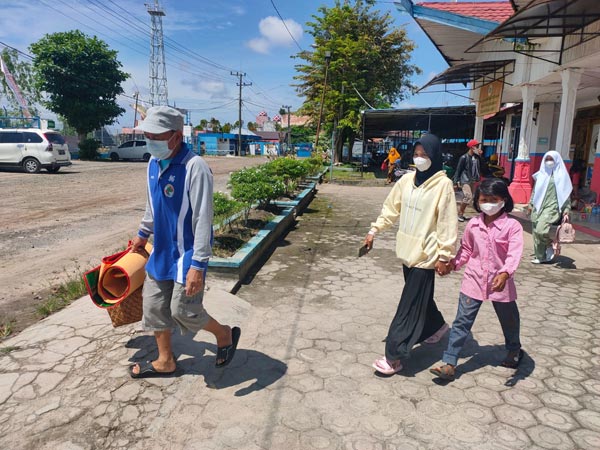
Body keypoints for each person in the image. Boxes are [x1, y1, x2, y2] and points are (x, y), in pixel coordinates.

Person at [129, 106, 241, 378]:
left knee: (184, 310)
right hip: (162, 252)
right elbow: (152, 206)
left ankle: (224, 334)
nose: (150, 141)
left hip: (187, 255)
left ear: (176, 136)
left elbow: (204, 218)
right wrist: (143, 234)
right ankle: (165, 360)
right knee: (154, 307)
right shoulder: (153, 164)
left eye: (156, 136)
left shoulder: (195, 167)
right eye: (147, 135)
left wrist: (198, 266)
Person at [364, 133, 458, 375]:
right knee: (419, 299)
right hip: (407, 251)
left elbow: (448, 222)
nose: (419, 159)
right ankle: (437, 327)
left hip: (426, 256)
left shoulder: (443, 185)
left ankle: (394, 355)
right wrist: (374, 230)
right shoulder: (406, 181)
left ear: (435, 156)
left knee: (408, 307)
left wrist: (445, 255)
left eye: (425, 155)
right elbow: (391, 208)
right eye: (416, 154)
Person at [430, 178, 524, 380]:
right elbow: (466, 250)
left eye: (493, 199)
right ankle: (449, 362)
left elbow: (514, 253)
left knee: (509, 320)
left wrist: (505, 273)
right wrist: (452, 265)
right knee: (462, 321)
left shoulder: (512, 226)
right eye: (484, 199)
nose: (488, 203)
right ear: (477, 201)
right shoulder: (473, 224)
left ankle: (514, 349)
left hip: (501, 283)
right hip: (473, 280)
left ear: (504, 200)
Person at [527, 150, 572, 264]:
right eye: (547, 159)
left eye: (551, 159)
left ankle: (549, 244)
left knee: (541, 230)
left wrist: (566, 209)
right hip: (538, 205)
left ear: (557, 160)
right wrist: (531, 203)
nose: (549, 162)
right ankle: (540, 256)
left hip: (552, 207)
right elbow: (535, 191)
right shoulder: (541, 174)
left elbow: (565, 194)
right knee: (535, 231)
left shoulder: (561, 176)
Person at [454, 139, 483, 222]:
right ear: (471, 147)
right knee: (468, 196)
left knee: (471, 198)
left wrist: (481, 156)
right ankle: (460, 214)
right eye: (476, 146)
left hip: (473, 180)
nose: (478, 148)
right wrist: (455, 182)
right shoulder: (464, 157)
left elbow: (483, 166)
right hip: (465, 179)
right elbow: (458, 170)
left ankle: (462, 213)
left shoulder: (476, 157)